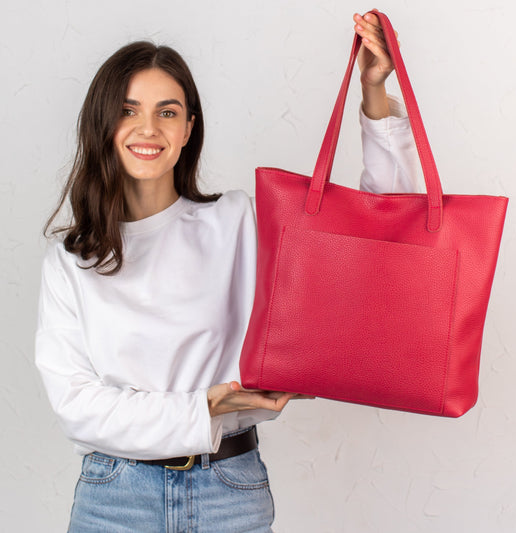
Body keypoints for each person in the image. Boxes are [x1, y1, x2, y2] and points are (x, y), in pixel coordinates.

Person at [35, 11, 418, 533]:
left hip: (229, 492)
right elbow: (77, 407)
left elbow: (371, 244)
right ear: (102, 123)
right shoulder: (72, 260)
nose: (148, 128)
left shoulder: (233, 222)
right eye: (128, 110)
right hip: (114, 499)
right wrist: (204, 407)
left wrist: (375, 97)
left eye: (167, 112)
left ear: (189, 127)